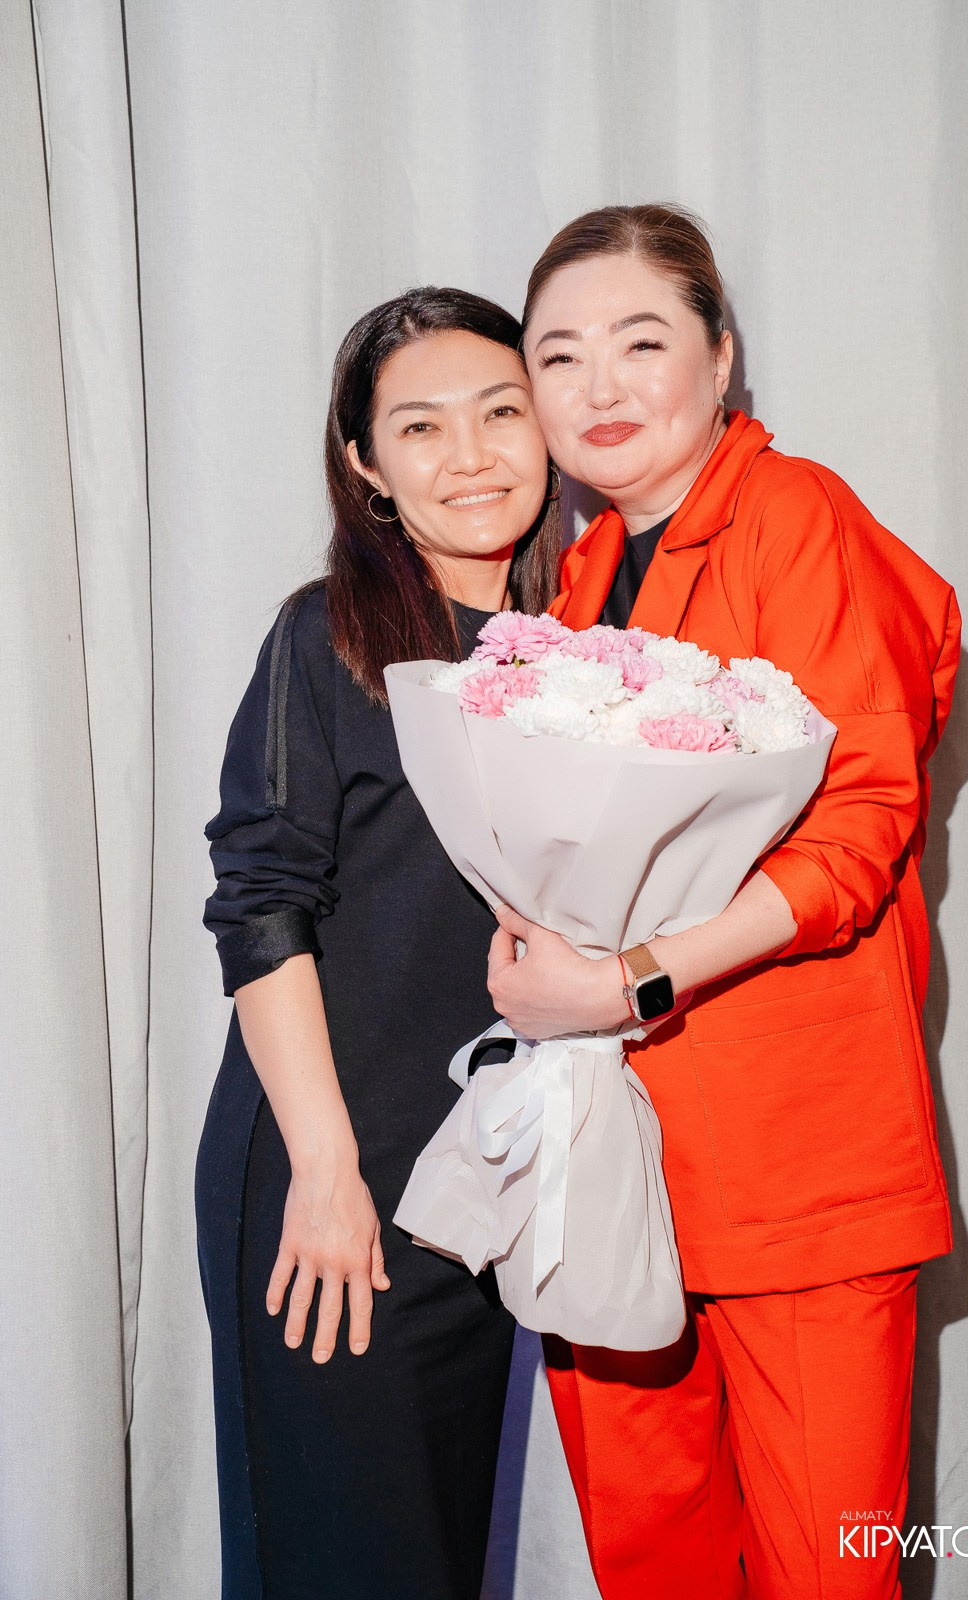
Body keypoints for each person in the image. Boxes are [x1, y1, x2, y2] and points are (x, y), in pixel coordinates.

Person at [486, 205, 961, 1600]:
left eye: (642, 342)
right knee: (653, 1566)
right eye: (559, 355)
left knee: (832, 1570)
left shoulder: (797, 517)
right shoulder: (576, 579)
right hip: (615, 1158)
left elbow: (860, 831)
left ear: (720, 357)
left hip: (796, 1162)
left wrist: (626, 977)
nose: (601, 384)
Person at [195, 286, 559, 1600]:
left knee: (440, 1559)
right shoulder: (330, 634)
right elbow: (259, 904)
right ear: (366, 464)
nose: (470, 456)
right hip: (331, 1178)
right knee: (345, 1562)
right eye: (420, 427)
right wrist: (328, 1174)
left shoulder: (579, 652)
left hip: (477, 1190)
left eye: (500, 412)